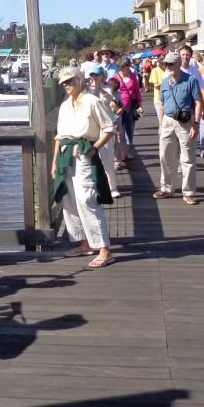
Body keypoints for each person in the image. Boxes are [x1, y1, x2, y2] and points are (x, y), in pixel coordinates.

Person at [50, 66, 116, 268]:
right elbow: (59, 136)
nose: (65, 85)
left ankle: (104, 249)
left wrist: (94, 149)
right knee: (69, 200)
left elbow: (109, 128)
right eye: (63, 82)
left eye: (69, 81)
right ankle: (84, 243)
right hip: (65, 156)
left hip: (83, 153)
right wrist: (54, 162)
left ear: (79, 80)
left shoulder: (92, 101)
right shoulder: (64, 106)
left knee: (86, 198)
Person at [155, 52, 203, 205]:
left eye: (170, 64)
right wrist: (160, 123)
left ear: (178, 64)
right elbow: (161, 103)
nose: (167, 67)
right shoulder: (164, 82)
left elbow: (198, 102)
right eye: (166, 64)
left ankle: (188, 192)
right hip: (168, 121)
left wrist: (196, 123)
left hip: (185, 121)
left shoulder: (191, 80)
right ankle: (167, 188)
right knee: (165, 156)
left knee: (187, 158)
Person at [82, 61, 122, 197]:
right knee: (89, 157)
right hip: (90, 127)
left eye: (97, 75)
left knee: (107, 158)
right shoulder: (85, 90)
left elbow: (115, 103)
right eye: (92, 75)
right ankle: (94, 185)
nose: (94, 77)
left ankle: (112, 188)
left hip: (105, 128)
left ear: (102, 76)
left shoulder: (108, 89)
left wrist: (99, 89)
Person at [111, 59, 142, 162]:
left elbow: (137, 90)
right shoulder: (116, 77)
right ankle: (121, 154)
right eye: (122, 67)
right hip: (119, 108)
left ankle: (127, 151)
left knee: (130, 130)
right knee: (120, 131)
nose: (124, 69)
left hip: (130, 107)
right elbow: (111, 92)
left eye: (125, 66)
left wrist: (140, 104)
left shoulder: (133, 75)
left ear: (129, 66)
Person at [149, 55, 165, 122]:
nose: (165, 65)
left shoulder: (169, 69)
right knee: (162, 120)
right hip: (159, 100)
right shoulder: (155, 70)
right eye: (163, 63)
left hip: (170, 99)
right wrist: (166, 82)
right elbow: (155, 85)